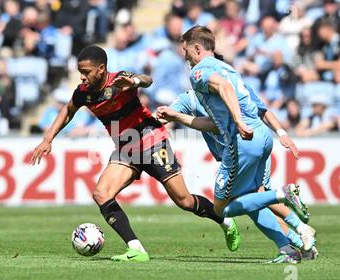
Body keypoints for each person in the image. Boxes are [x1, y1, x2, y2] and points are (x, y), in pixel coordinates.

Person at [31, 45, 241, 262]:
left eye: (86, 72)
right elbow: (67, 110)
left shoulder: (120, 80)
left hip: (152, 141)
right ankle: (136, 248)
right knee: (102, 194)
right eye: (80, 72)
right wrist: (47, 139)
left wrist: (135, 82)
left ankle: (224, 220)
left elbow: (147, 80)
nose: (82, 77)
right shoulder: (83, 94)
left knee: (185, 201)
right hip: (125, 148)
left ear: (101, 69)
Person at [179, 26, 310, 263]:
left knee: (223, 210)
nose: (184, 54)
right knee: (251, 198)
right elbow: (261, 107)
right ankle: (291, 245)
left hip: (242, 141)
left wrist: (238, 121)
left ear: (197, 48)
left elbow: (223, 88)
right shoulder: (231, 70)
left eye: (186, 49)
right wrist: (281, 132)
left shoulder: (199, 72)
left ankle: (282, 195)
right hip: (263, 137)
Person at [156, 90, 318, 259]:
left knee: (234, 205)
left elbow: (215, 125)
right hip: (259, 139)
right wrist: (282, 133)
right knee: (255, 200)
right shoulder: (232, 84)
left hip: (242, 146)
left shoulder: (209, 87)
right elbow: (263, 109)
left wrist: (174, 117)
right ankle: (295, 245)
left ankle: (294, 223)